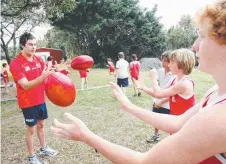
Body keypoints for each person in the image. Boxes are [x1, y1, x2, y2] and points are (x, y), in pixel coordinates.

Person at [51, 1, 226, 163]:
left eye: (202, 36)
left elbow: (145, 162)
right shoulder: (215, 91)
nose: (195, 45)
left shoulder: (218, 119)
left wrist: (86, 136)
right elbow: (177, 123)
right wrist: (129, 106)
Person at [9, 32, 58, 164]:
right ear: (22, 45)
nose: (34, 47)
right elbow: (25, 85)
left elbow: (46, 78)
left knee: (41, 125)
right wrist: (42, 77)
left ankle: (43, 148)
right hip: (27, 102)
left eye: (35, 44)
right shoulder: (16, 64)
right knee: (31, 129)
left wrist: (53, 74)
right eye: (30, 44)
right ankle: (32, 157)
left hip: (40, 100)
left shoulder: (38, 60)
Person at [136, 48, 196, 116]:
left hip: (184, 123)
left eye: (172, 63)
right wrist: (143, 87)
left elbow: (158, 94)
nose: (169, 65)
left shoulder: (185, 84)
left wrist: (154, 77)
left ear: (182, 64)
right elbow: (158, 93)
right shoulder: (174, 79)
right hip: (176, 119)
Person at [146, 51, 175, 142]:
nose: (162, 63)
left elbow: (174, 92)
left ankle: (173, 139)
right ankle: (156, 135)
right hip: (157, 100)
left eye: (165, 61)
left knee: (170, 123)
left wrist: (162, 101)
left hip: (168, 104)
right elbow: (157, 85)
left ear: (170, 62)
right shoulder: (160, 71)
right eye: (162, 60)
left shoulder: (175, 74)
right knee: (155, 119)